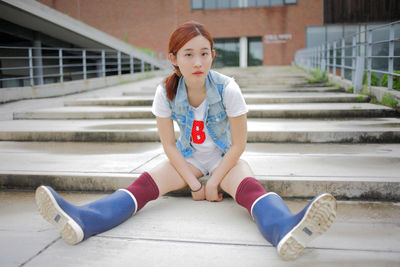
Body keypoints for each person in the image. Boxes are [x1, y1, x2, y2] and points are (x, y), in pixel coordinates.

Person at [35, 21, 336, 261]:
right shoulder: (165, 91)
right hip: (187, 158)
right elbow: (168, 145)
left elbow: (239, 144)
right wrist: (194, 185)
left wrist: (215, 182)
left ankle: (284, 229)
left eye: (204, 53)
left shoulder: (228, 88)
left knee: (250, 188)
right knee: (141, 186)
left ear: (213, 55)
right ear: (174, 58)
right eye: (188, 54)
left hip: (223, 157)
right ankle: (84, 221)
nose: (197, 61)